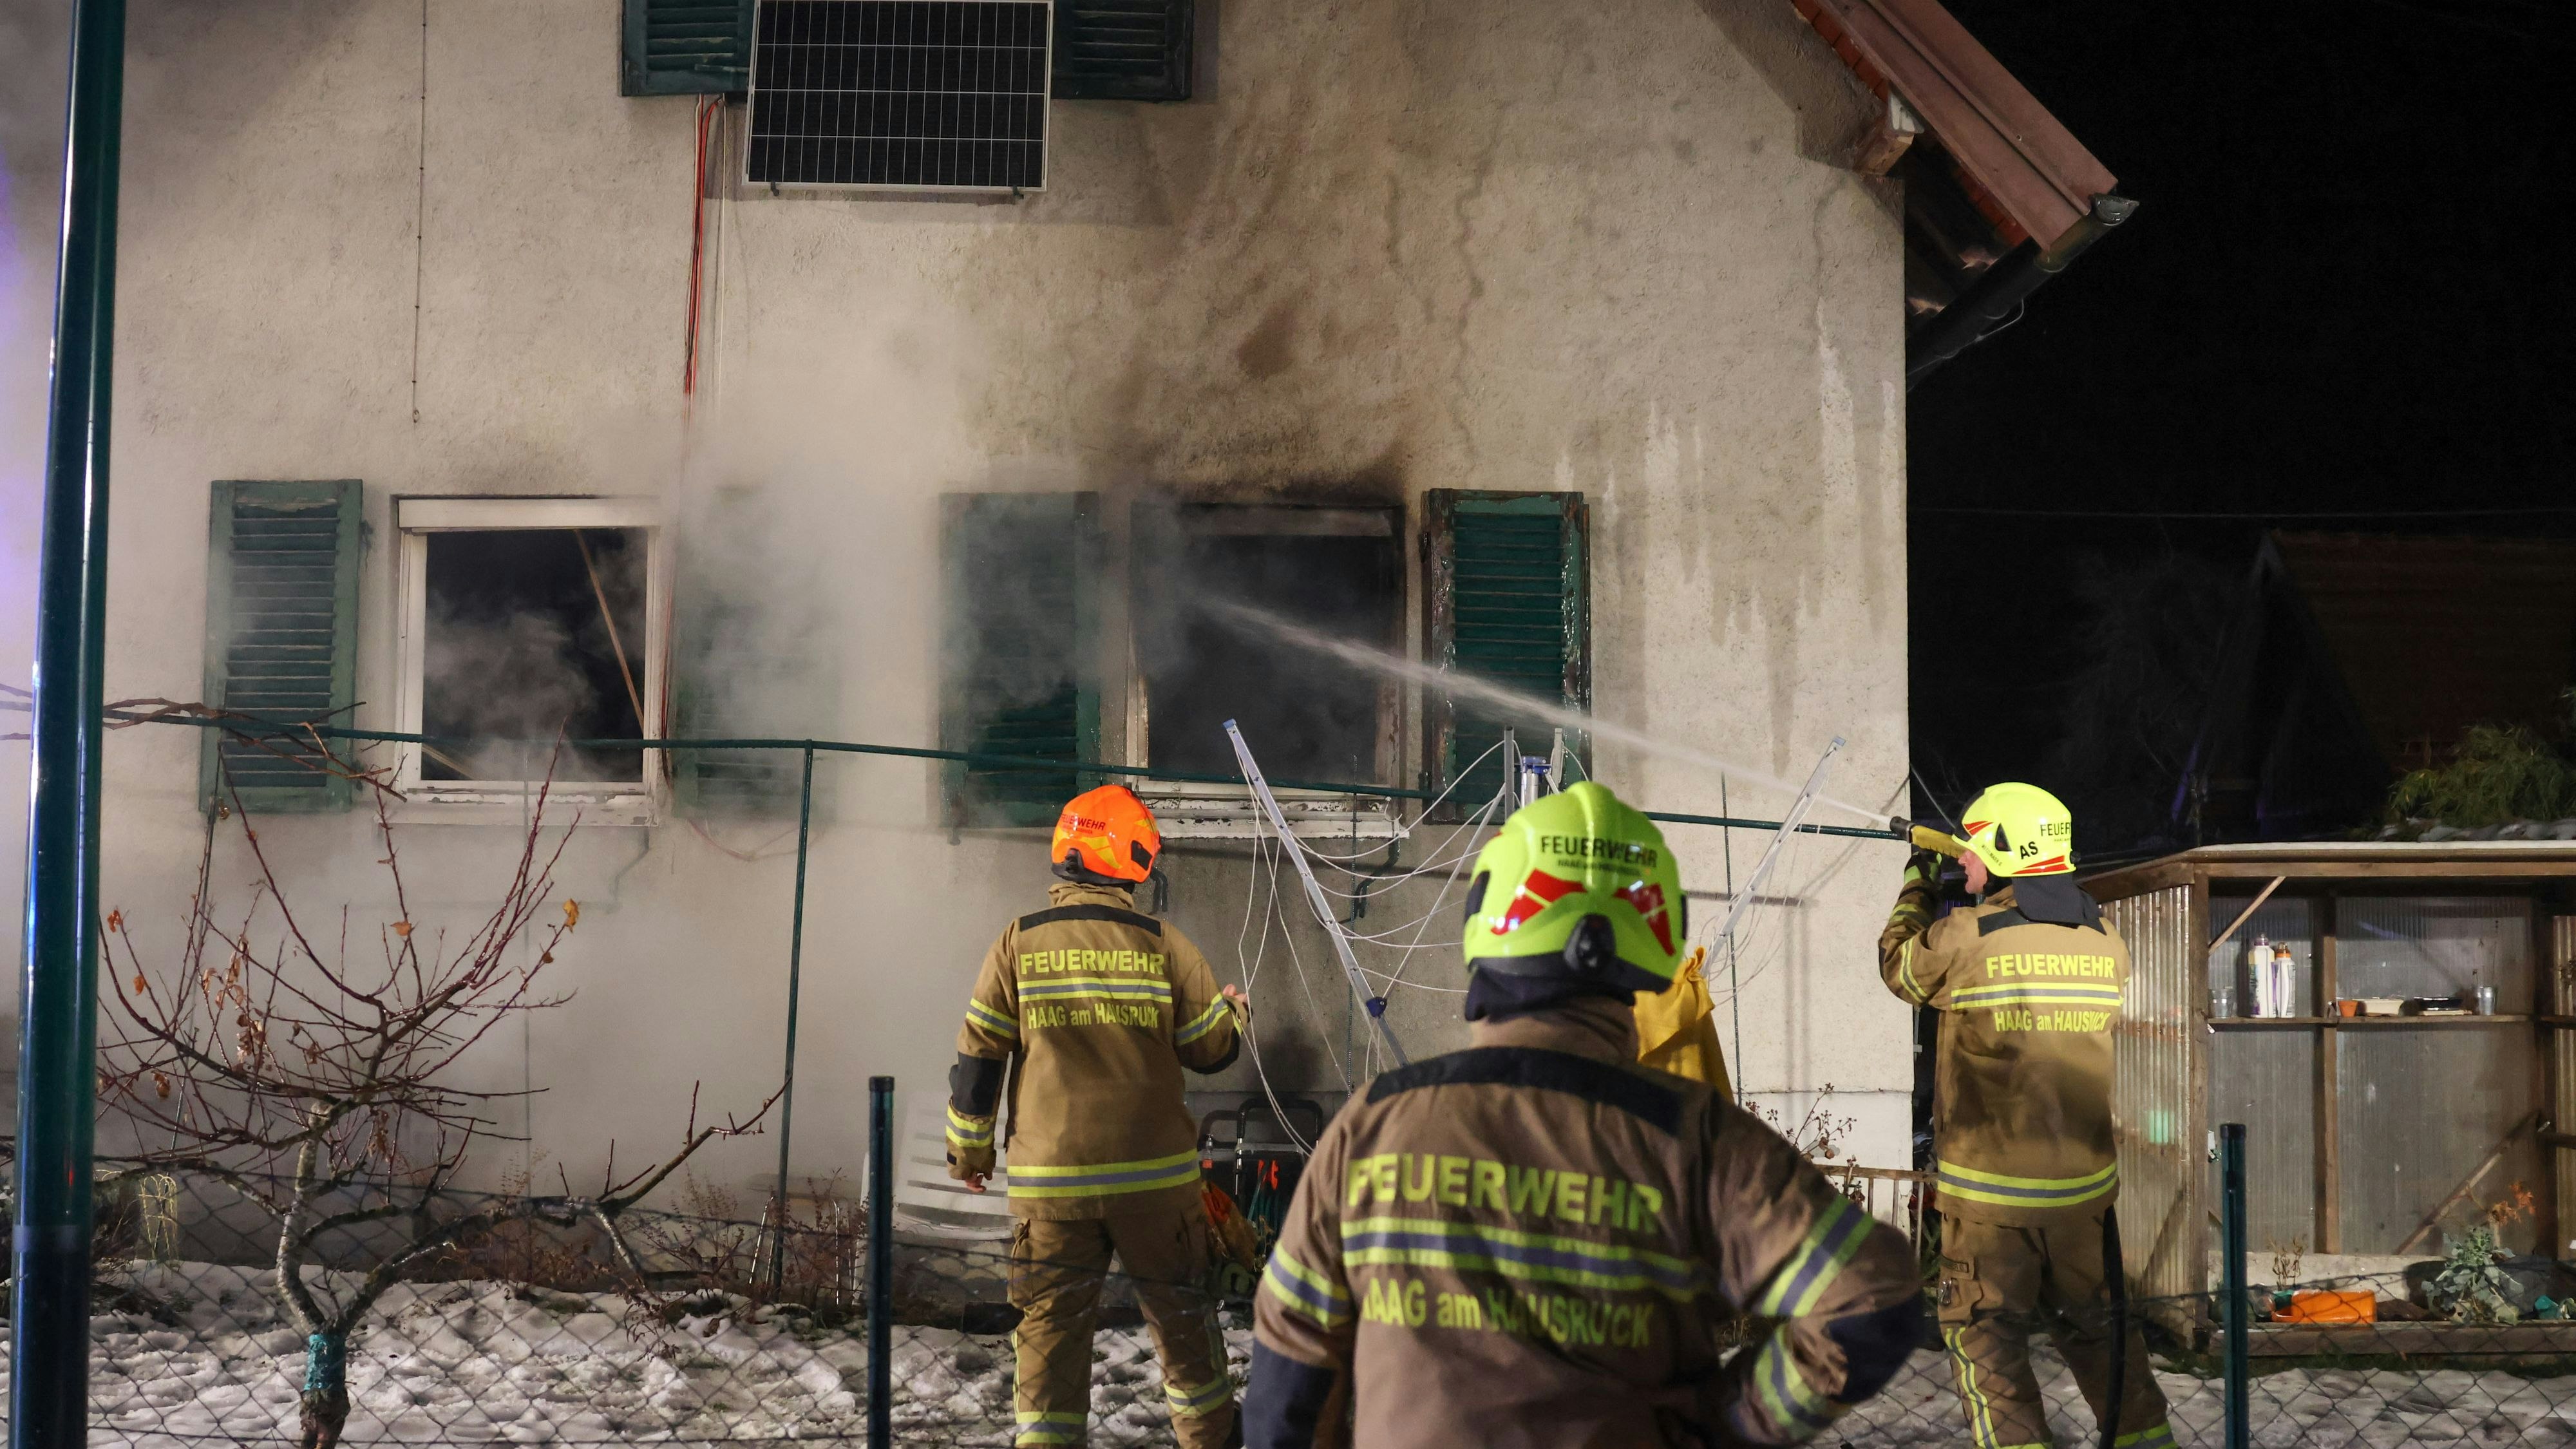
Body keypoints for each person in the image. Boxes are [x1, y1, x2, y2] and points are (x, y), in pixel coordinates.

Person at [1244, 782, 1924, 1448]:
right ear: (1656, 932)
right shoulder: (1697, 1140)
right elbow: (1874, 1299)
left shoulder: (1372, 1124)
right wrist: (1727, 1424)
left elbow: (1291, 1362)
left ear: (1487, 921)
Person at [946, 784, 1249, 1449]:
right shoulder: (1164, 943)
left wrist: (970, 1155)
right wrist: (1236, 1011)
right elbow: (1211, 1050)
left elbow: (978, 1058)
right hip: (1155, 1192)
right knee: (1186, 1342)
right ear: (1130, 855)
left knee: (1049, 1353)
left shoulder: (1015, 944)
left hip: (1052, 1192)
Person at [1880, 782, 2175, 1449]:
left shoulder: (1967, 936)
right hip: (2082, 1198)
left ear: (2007, 853)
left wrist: (1917, 888)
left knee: (1987, 1349)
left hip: (1990, 1203)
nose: (1968, 866)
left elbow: (1900, 969)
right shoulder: (2105, 939)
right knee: (2102, 1340)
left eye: (1976, 853)